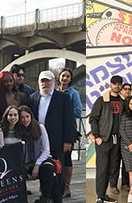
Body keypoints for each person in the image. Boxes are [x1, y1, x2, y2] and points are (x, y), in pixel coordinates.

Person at [28, 70, 76, 203]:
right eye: (42, 81)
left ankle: (57, 198)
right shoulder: (33, 97)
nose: (45, 83)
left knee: (58, 171)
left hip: (57, 142)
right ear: (39, 83)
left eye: (48, 80)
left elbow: (69, 120)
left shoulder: (63, 98)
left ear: (53, 81)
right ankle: (45, 196)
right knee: (45, 171)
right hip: (39, 142)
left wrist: (68, 141)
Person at [88, 75, 124, 203]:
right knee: (102, 168)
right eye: (115, 83)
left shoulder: (123, 101)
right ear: (110, 85)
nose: (117, 86)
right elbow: (93, 119)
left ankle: (104, 195)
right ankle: (100, 196)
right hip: (104, 139)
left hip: (117, 140)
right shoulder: (102, 100)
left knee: (112, 168)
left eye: (119, 84)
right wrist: (97, 137)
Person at [16, 105, 57, 203]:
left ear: (31, 116)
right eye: (22, 117)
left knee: (49, 169)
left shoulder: (40, 127)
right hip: (24, 163)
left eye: (27, 116)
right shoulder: (17, 131)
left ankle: (46, 198)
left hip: (39, 160)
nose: (25, 120)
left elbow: (47, 150)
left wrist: (37, 165)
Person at [57, 68, 83, 198]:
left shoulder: (73, 93)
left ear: (70, 79)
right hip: (55, 130)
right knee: (56, 157)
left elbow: (78, 112)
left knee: (67, 158)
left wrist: (63, 114)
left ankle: (66, 188)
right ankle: (56, 186)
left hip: (68, 130)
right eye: (63, 76)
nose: (65, 78)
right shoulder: (54, 92)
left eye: (68, 76)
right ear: (59, 77)